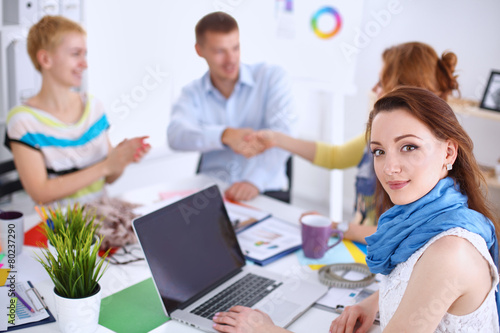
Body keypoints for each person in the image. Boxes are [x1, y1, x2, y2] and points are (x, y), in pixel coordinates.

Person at [212, 86, 500, 333]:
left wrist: (268, 330)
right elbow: (415, 281)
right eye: (379, 151)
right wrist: (371, 303)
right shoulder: (418, 221)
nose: (389, 168)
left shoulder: (451, 251)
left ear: (448, 152)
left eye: (409, 147)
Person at [248, 42, 459, 243]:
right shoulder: (377, 137)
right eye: (379, 152)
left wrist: (334, 227)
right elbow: (335, 156)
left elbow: (403, 233)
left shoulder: (434, 166)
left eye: (382, 82)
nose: (374, 89)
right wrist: (276, 139)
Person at [4, 15, 150, 205]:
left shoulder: (93, 107)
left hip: (104, 218)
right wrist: (106, 166)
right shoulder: (23, 121)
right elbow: (40, 193)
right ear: (46, 59)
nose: (85, 64)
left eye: (85, 54)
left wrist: (122, 159)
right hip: (62, 230)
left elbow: (108, 178)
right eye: (75, 54)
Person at [167, 11, 295, 202]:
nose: (231, 60)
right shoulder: (192, 93)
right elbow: (176, 135)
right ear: (199, 50)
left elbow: (286, 134)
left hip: (265, 190)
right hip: (213, 192)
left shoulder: (271, 78)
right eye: (220, 51)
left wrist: (254, 181)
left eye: (235, 48)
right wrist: (224, 135)